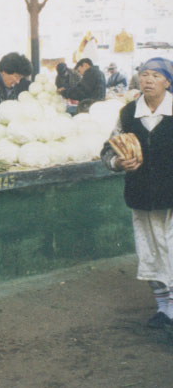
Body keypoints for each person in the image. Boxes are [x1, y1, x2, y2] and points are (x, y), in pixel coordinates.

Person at [101, 58, 173, 330]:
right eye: (144, 74)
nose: (148, 80)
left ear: (168, 81)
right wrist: (118, 163)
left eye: (156, 75)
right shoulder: (129, 113)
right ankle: (164, 309)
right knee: (151, 253)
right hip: (142, 196)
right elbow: (107, 149)